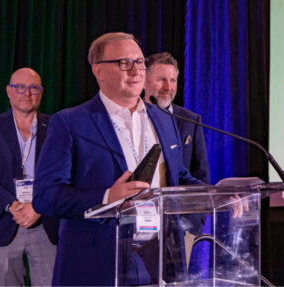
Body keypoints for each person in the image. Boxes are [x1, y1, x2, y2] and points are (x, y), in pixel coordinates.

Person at [32, 32, 201, 286]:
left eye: (141, 62)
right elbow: (45, 196)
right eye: (125, 63)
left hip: (158, 257)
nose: (136, 70)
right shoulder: (70, 123)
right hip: (97, 262)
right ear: (98, 71)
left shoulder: (165, 120)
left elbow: (179, 178)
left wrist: (222, 193)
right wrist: (107, 197)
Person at [0, 67, 58, 286]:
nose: (27, 93)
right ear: (9, 91)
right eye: (20, 87)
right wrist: (12, 204)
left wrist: (38, 206)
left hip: (46, 222)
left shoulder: (57, 126)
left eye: (33, 88)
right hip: (3, 220)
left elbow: (63, 174)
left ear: (41, 92)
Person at [144, 52, 210, 186]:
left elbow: (201, 175)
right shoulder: (132, 118)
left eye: (173, 80)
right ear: (144, 82)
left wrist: (216, 195)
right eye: (161, 79)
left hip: (179, 205)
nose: (168, 87)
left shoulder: (191, 120)